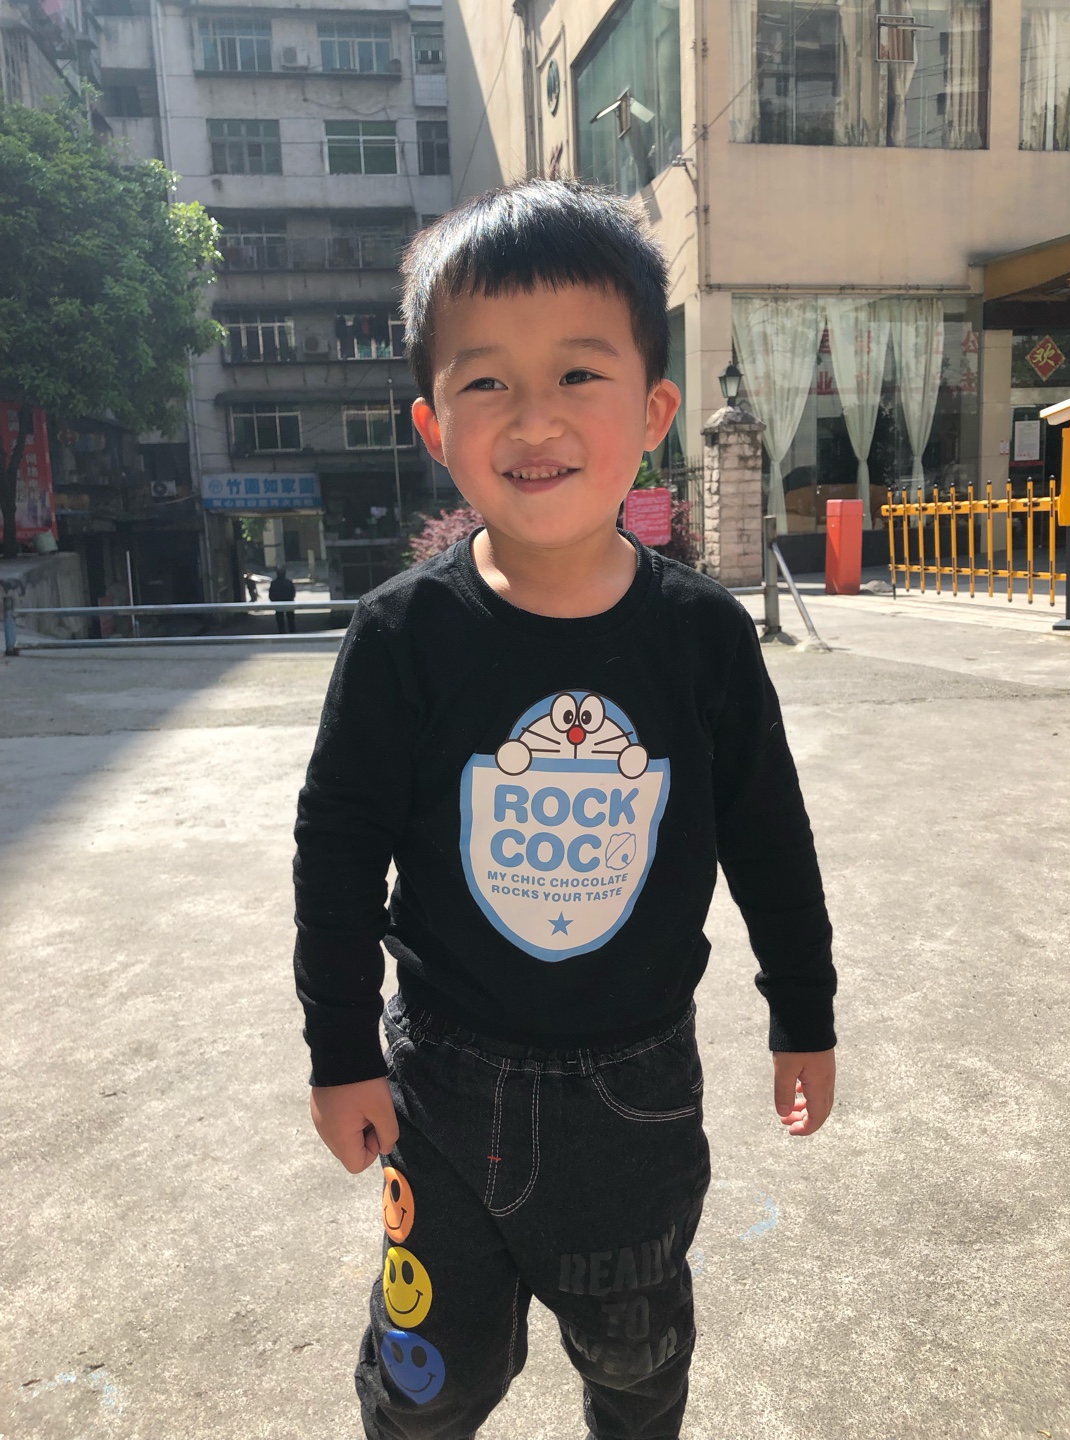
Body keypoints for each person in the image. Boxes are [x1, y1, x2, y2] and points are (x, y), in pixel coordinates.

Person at [293, 179, 837, 1440]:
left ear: (653, 411)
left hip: (634, 1098)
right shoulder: (402, 638)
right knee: (430, 1382)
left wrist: (803, 1014)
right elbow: (338, 854)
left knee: (637, 1373)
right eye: (486, 381)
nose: (534, 416)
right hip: (440, 1085)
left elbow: (771, 840)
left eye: (579, 374)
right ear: (434, 424)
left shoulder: (701, 638)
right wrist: (340, 1049)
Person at [268, 563, 296, 633]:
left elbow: (271, 594)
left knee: (280, 620)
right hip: (289, 602)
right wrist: (291, 599)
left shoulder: (274, 583)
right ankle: (292, 632)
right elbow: (293, 592)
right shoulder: (289, 582)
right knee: (291, 619)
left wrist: (273, 601)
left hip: (278, 603)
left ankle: (282, 633)